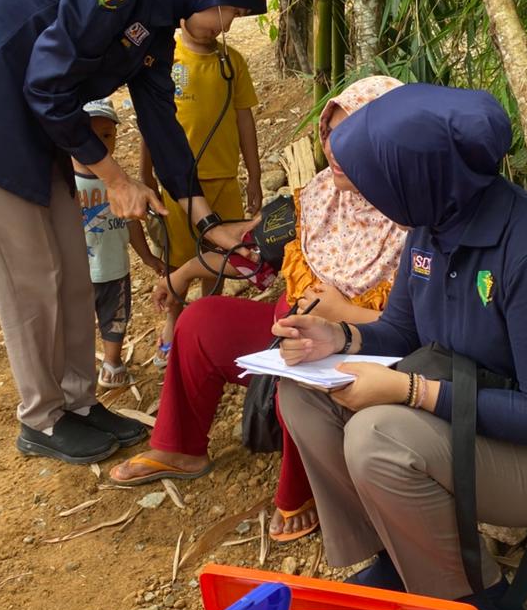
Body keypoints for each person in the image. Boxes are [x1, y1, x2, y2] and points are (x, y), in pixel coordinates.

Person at [0, 0, 265, 465]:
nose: (230, 22)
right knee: (31, 279)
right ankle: (43, 417)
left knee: (72, 272)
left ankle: (78, 400)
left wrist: (208, 222)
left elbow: (162, 124)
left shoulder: (158, 23)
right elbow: (46, 86)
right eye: (232, 7)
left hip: (41, 131)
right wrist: (117, 179)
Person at [273, 84, 527, 610]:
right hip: (472, 415)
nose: (366, 190)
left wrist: (412, 391)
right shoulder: (431, 228)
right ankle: (394, 549)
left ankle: (474, 598)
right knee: (303, 391)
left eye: (377, 180)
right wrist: (338, 339)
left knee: (376, 437)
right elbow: (403, 333)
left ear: (420, 177)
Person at [109, 75, 408, 542]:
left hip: (358, 351)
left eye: (356, 138)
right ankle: (179, 447)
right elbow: (256, 256)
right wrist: (184, 272)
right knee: (200, 323)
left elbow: (418, 329)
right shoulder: (318, 196)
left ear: (389, 142)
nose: (338, 152)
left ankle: (302, 491)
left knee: (300, 380)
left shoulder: (418, 214)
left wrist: (340, 312)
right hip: (287, 332)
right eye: (334, 134)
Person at [140, 17, 262, 368]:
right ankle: (172, 320)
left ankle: (208, 320)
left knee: (221, 258)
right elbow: (154, 122)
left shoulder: (232, 61)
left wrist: (253, 176)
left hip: (223, 177)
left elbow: (244, 119)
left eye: (229, 14)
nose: (218, 25)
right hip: (178, 187)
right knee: (178, 259)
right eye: (210, 15)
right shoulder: (167, 58)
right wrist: (146, 174)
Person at [72, 99, 162, 389]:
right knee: (77, 325)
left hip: (114, 267)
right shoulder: (65, 182)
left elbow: (132, 223)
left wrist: (148, 257)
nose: (99, 142)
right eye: (90, 135)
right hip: (78, 273)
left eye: (107, 135)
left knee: (116, 319)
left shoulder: (120, 182)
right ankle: (78, 372)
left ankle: (112, 364)